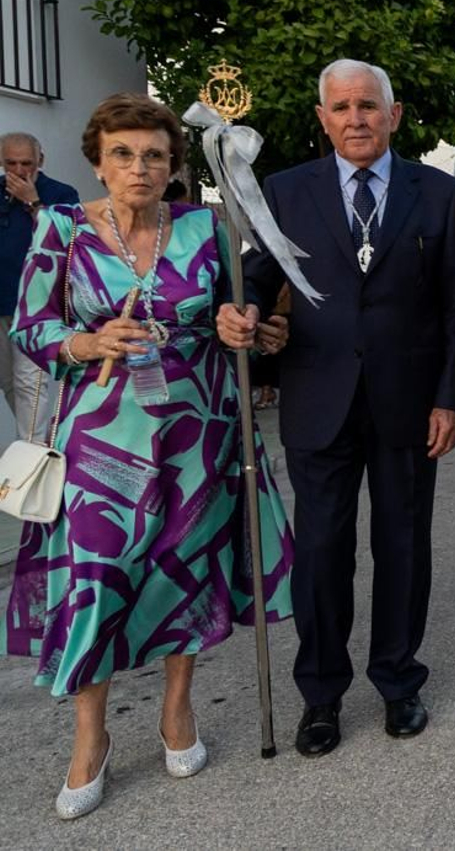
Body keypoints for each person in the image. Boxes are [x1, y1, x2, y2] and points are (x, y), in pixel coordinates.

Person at [3, 94, 293, 819]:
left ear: (173, 165)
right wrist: (87, 342)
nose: (140, 167)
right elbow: (31, 327)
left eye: (155, 155)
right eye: (125, 154)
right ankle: (91, 735)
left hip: (198, 433)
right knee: (97, 578)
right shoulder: (61, 228)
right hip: (102, 437)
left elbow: (241, 314)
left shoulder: (205, 225)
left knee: (184, 568)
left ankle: (177, 707)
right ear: (97, 161)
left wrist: (243, 323)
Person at [222, 58, 455, 759]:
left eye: (369, 105)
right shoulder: (283, 190)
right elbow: (257, 279)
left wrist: (451, 398)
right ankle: (322, 694)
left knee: (401, 546)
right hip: (319, 398)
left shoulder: (440, 193)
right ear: (322, 118)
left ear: (393, 116)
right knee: (323, 554)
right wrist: (241, 313)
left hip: (409, 405)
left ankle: (399, 680)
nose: (356, 118)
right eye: (341, 107)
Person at [0, 132, 79, 441]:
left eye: (27, 163)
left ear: (41, 160)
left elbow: (68, 241)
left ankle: (32, 464)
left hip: (36, 305)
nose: (19, 171)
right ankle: (31, 446)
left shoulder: (61, 193)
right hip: (1, 301)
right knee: (9, 382)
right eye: (11, 163)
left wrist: (33, 203)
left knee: (30, 385)